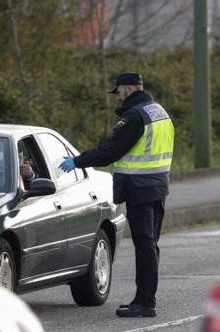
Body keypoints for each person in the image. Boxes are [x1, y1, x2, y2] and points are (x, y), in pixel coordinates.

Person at [60, 72, 174, 318]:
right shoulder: (159, 111)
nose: (117, 97)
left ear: (130, 89)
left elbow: (110, 151)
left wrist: (78, 161)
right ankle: (146, 299)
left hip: (140, 188)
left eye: (119, 92)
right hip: (157, 186)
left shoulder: (135, 116)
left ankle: (145, 303)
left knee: (144, 245)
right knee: (150, 244)